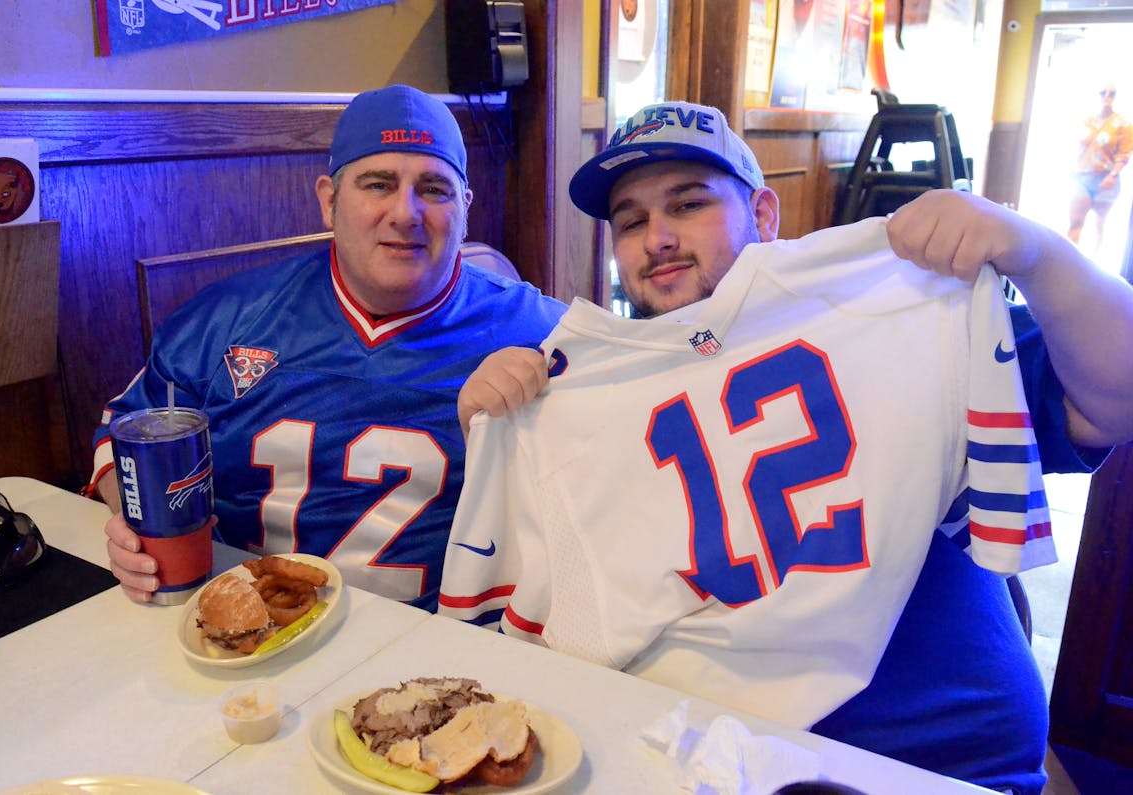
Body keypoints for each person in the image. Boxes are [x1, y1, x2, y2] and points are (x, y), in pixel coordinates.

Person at [442, 100, 1133, 794]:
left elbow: (1118, 399)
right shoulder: (575, 386)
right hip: (710, 759)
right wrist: (501, 429)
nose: (657, 238)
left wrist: (1038, 253)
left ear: (763, 215)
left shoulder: (892, 310)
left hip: (933, 759)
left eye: (687, 204)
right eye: (631, 221)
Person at [89, 84, 566, 611]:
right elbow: (125, 434)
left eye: (434, 189)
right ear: (329, 201)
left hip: (437, 644)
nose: (406, 213)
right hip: (246, 631)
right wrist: (136, 533)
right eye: (378, 184)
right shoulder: (225, 318)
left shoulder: (542, 333)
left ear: (465, 209)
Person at [1067, 82, 1133, 251]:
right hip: (1082, 177)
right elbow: (1075, 145)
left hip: (1106, 179)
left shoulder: (1123, 124)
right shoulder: (1086, 121)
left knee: (1099, 224)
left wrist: (1113, 175)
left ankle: (1095, 262)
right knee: (1075, 222)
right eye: (1103, 93)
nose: (1107, 97)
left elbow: (1124, 153)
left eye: (1111, 94)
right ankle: (1071, 262)